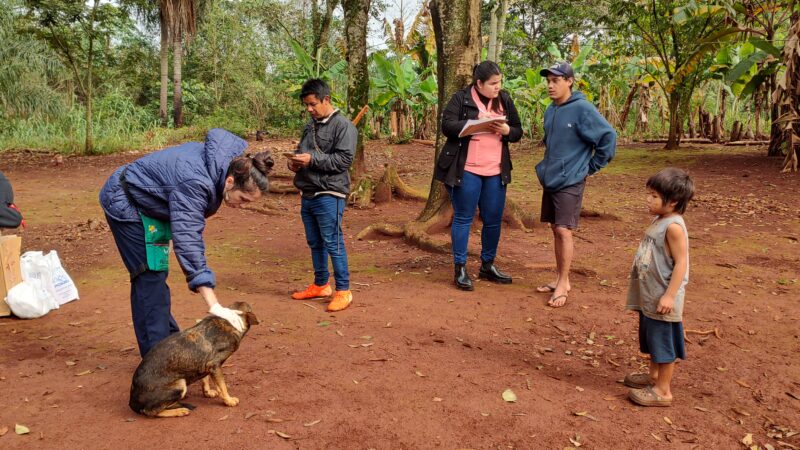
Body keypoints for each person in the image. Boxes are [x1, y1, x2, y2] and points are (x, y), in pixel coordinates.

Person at [99, 128, 273, 356]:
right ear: (230, 181)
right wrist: (213, 304)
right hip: (126, 202)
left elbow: (183, 215)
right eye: (243, 199)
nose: (242, 206)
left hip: (154, 206)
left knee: (155, 277)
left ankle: (169, 343)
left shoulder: (217, 165)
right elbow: (188, 239)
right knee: (149, 277)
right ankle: (159, 360)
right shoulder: (197, 181)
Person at [434, 60, 523, 291]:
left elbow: (517, 131)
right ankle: (460, 268)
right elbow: (447, 126)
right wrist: (475, 123)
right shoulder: (461, 99)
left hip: (495, 170)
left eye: (500, 82)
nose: (498, 87)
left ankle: (487, 265)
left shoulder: (504, 100)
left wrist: (506, 131)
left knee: (493, 219)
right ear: (479, 83)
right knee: (464, 217)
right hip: (468, 169)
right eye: (493, 83)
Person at [535, 62, 616, 307]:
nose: (550, 85)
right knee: (554, 228)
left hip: (571, 179)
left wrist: (588, 168)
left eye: (556, 80)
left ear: (569, 81)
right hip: (551, 178)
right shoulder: (551, 110)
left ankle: (563, 284)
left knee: (563, 229)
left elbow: (608, 137)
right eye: (548, 81)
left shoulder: (582, 109)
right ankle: (561, 278)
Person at [624, 167, 694, 407]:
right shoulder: (660, 219)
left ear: (673, 201)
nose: (648, 199)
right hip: (650, 295)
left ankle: (663, 391)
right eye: (649, 194)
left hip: (663, 296)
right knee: (652, 338)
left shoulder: (673, 227)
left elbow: (682, 262)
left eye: (654, 196)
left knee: (663, 342)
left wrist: (670, 295)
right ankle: (653, 377)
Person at [287, 79, 357, 312]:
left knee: (333, 242)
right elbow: (302, 151)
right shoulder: (310, 126)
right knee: (314, 242)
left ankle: (343, 290)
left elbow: (344, 160)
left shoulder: (343, 126)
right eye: (306, 105)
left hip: (330, 192)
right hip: (308, 191)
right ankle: (320, 284)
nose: (309, 109)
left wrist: (312, 160)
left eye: (313, 104)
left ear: (326, 100)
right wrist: (295, 163)